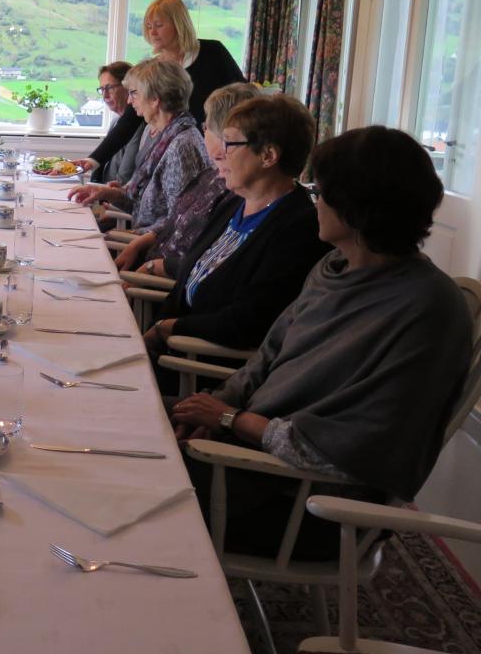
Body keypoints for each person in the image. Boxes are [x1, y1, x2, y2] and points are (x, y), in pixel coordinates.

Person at [170, 126, 472, 559]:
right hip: (256, 458)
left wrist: (232, 419)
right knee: (134, 436)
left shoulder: (427, 307)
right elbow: (267, 358)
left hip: (312, 503)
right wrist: (217, 404)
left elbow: (357, 451)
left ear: (357, 206)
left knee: (140, 485)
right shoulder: (334, 267)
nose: (314, 202)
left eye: (321, 192)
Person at [145, 96, 328, 356]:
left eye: (230, 143)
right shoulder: (232, 204)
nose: (220, 152)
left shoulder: (299, 229)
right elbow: (186, 282)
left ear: (268, 156)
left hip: (201, 365)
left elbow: (248, 322)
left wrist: (168, 328)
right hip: (171, 349)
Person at [85, 0, 246, 168]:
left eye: (159, 25)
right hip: (175, 155)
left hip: (221, 150)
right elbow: (129, 122)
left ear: (179, 24)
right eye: (149, 27)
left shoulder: (213, 52)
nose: (152, 32)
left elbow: (244, 97)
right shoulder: (153, 70)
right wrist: (93, 160)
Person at [116, 82, 258, 273]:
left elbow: (203, 263)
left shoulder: (233, 187)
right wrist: (139, 242)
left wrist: (151, 265)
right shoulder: (214, 175)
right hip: (150, 253)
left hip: (159, 277)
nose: (204, 131)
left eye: (207, 126)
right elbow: (175, 220)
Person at [68, 58, 209, 236]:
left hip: (150, 247)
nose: (129, 101)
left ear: (155, 99)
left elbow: (180, 221)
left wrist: (133, 240)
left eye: (134, 93)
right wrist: (108, 192)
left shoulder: (182, 146)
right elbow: (143, 205)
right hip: (138, 236)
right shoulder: (163, 134)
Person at [66, 61, 143, 184]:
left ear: (127, 88)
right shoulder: (115, 120)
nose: (105, 95)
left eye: (109, 88)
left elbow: (124, 178)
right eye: (102, 89)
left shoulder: (137, 126)